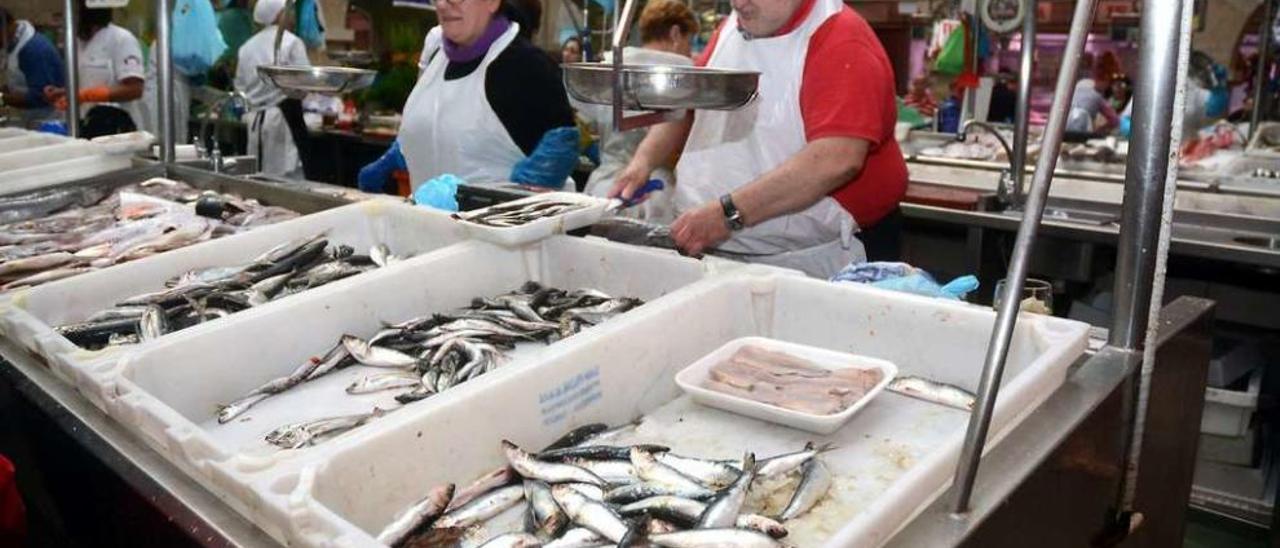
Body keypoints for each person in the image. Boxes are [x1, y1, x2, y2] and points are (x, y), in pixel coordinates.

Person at [611, 0, 908, 278]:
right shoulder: (733, 28)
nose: (738, 3)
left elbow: (835, 159)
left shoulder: (840, 39)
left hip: (815, 263)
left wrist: (726, 214)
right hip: (720, 251)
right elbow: (687, 104)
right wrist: (643, 162)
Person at [362, 0, 576, 192]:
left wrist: (518, 197)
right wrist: (398, 155)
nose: (444, 5)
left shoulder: (525, 65)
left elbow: (560, 145)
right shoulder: (436, 53)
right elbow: (433, 127)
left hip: (497, 232)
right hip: (429, 227)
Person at [581, 0, 696, 220]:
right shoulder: (677, 75)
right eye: (688, 42)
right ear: (675, 34)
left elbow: (588, 124)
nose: (689, 51)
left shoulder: (611, 65)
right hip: (650, 197)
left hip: (601, 189)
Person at [43, 5, 146, 138]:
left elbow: (134, 89)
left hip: (116, 128)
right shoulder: (77, 42)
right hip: (86, 124)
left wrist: (87, 95)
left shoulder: (121, 39)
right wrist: (65, 93)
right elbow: (88, 82)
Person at [236, 0, 311, 178]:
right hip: (285, 119)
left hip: (254, 122)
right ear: (278, 14)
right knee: (289, 180)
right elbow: (304, 84)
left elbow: (239, 88)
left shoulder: (246, 47)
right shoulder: (292, 42)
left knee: (258, 177)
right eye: (288, 11)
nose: (292, 15)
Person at [1, 9, 65, 128]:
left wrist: (2, 98)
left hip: (48, 121)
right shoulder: (13, 42)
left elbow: (39, 98)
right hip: (31, 119)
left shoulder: (34, 50)